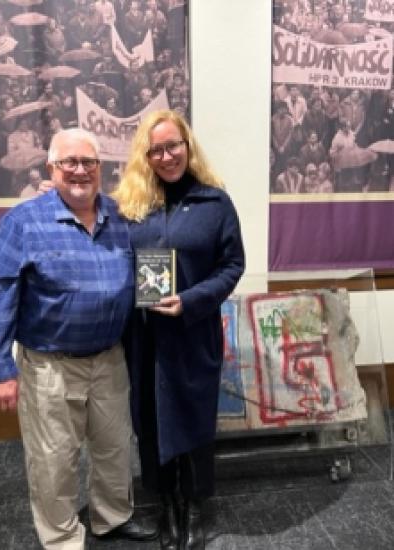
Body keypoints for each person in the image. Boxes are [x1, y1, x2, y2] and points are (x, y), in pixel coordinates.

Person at [0, 128, 158, 549]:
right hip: (49, 365)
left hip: (109, 359)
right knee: (53, 460)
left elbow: (152, 269)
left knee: (114, 449)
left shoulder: (121, 217)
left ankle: (112, 517)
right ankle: (62, 537)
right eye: (70, 163)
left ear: (101, 169)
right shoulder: (23, 222)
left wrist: (167, 300)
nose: (80, 171)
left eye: (89, 163)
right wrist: (0, 370)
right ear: (51, 169)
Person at [112, 109, 245, 550]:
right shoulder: (130, 206)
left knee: (192, 419)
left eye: (174, 146)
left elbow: (232, 265)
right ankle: (165, 501)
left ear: (188, 145)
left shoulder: (215, 202)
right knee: (149, 421)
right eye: (157, 150)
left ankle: (192, 505)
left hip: (193, 332)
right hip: (144, 337)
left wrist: (191, 300)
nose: (167, 156)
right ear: (145, 156)